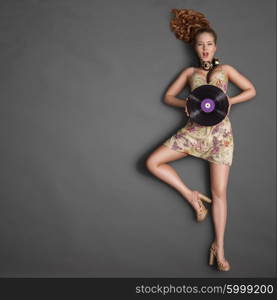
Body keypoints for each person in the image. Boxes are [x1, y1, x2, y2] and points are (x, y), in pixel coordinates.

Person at [145, 9, 256, 271]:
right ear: (195, 48)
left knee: (220, 194)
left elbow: (251, 90)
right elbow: (168, 97)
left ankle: (219, 248)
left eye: (209, 45)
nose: (205, 49)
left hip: (220, 136)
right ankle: (191, 195)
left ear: (215, 46)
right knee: (153, 162)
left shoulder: (227, 69)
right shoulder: (189, 72)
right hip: (194, 132)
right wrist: (186, 102)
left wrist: (230, 100)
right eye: (200, 45)